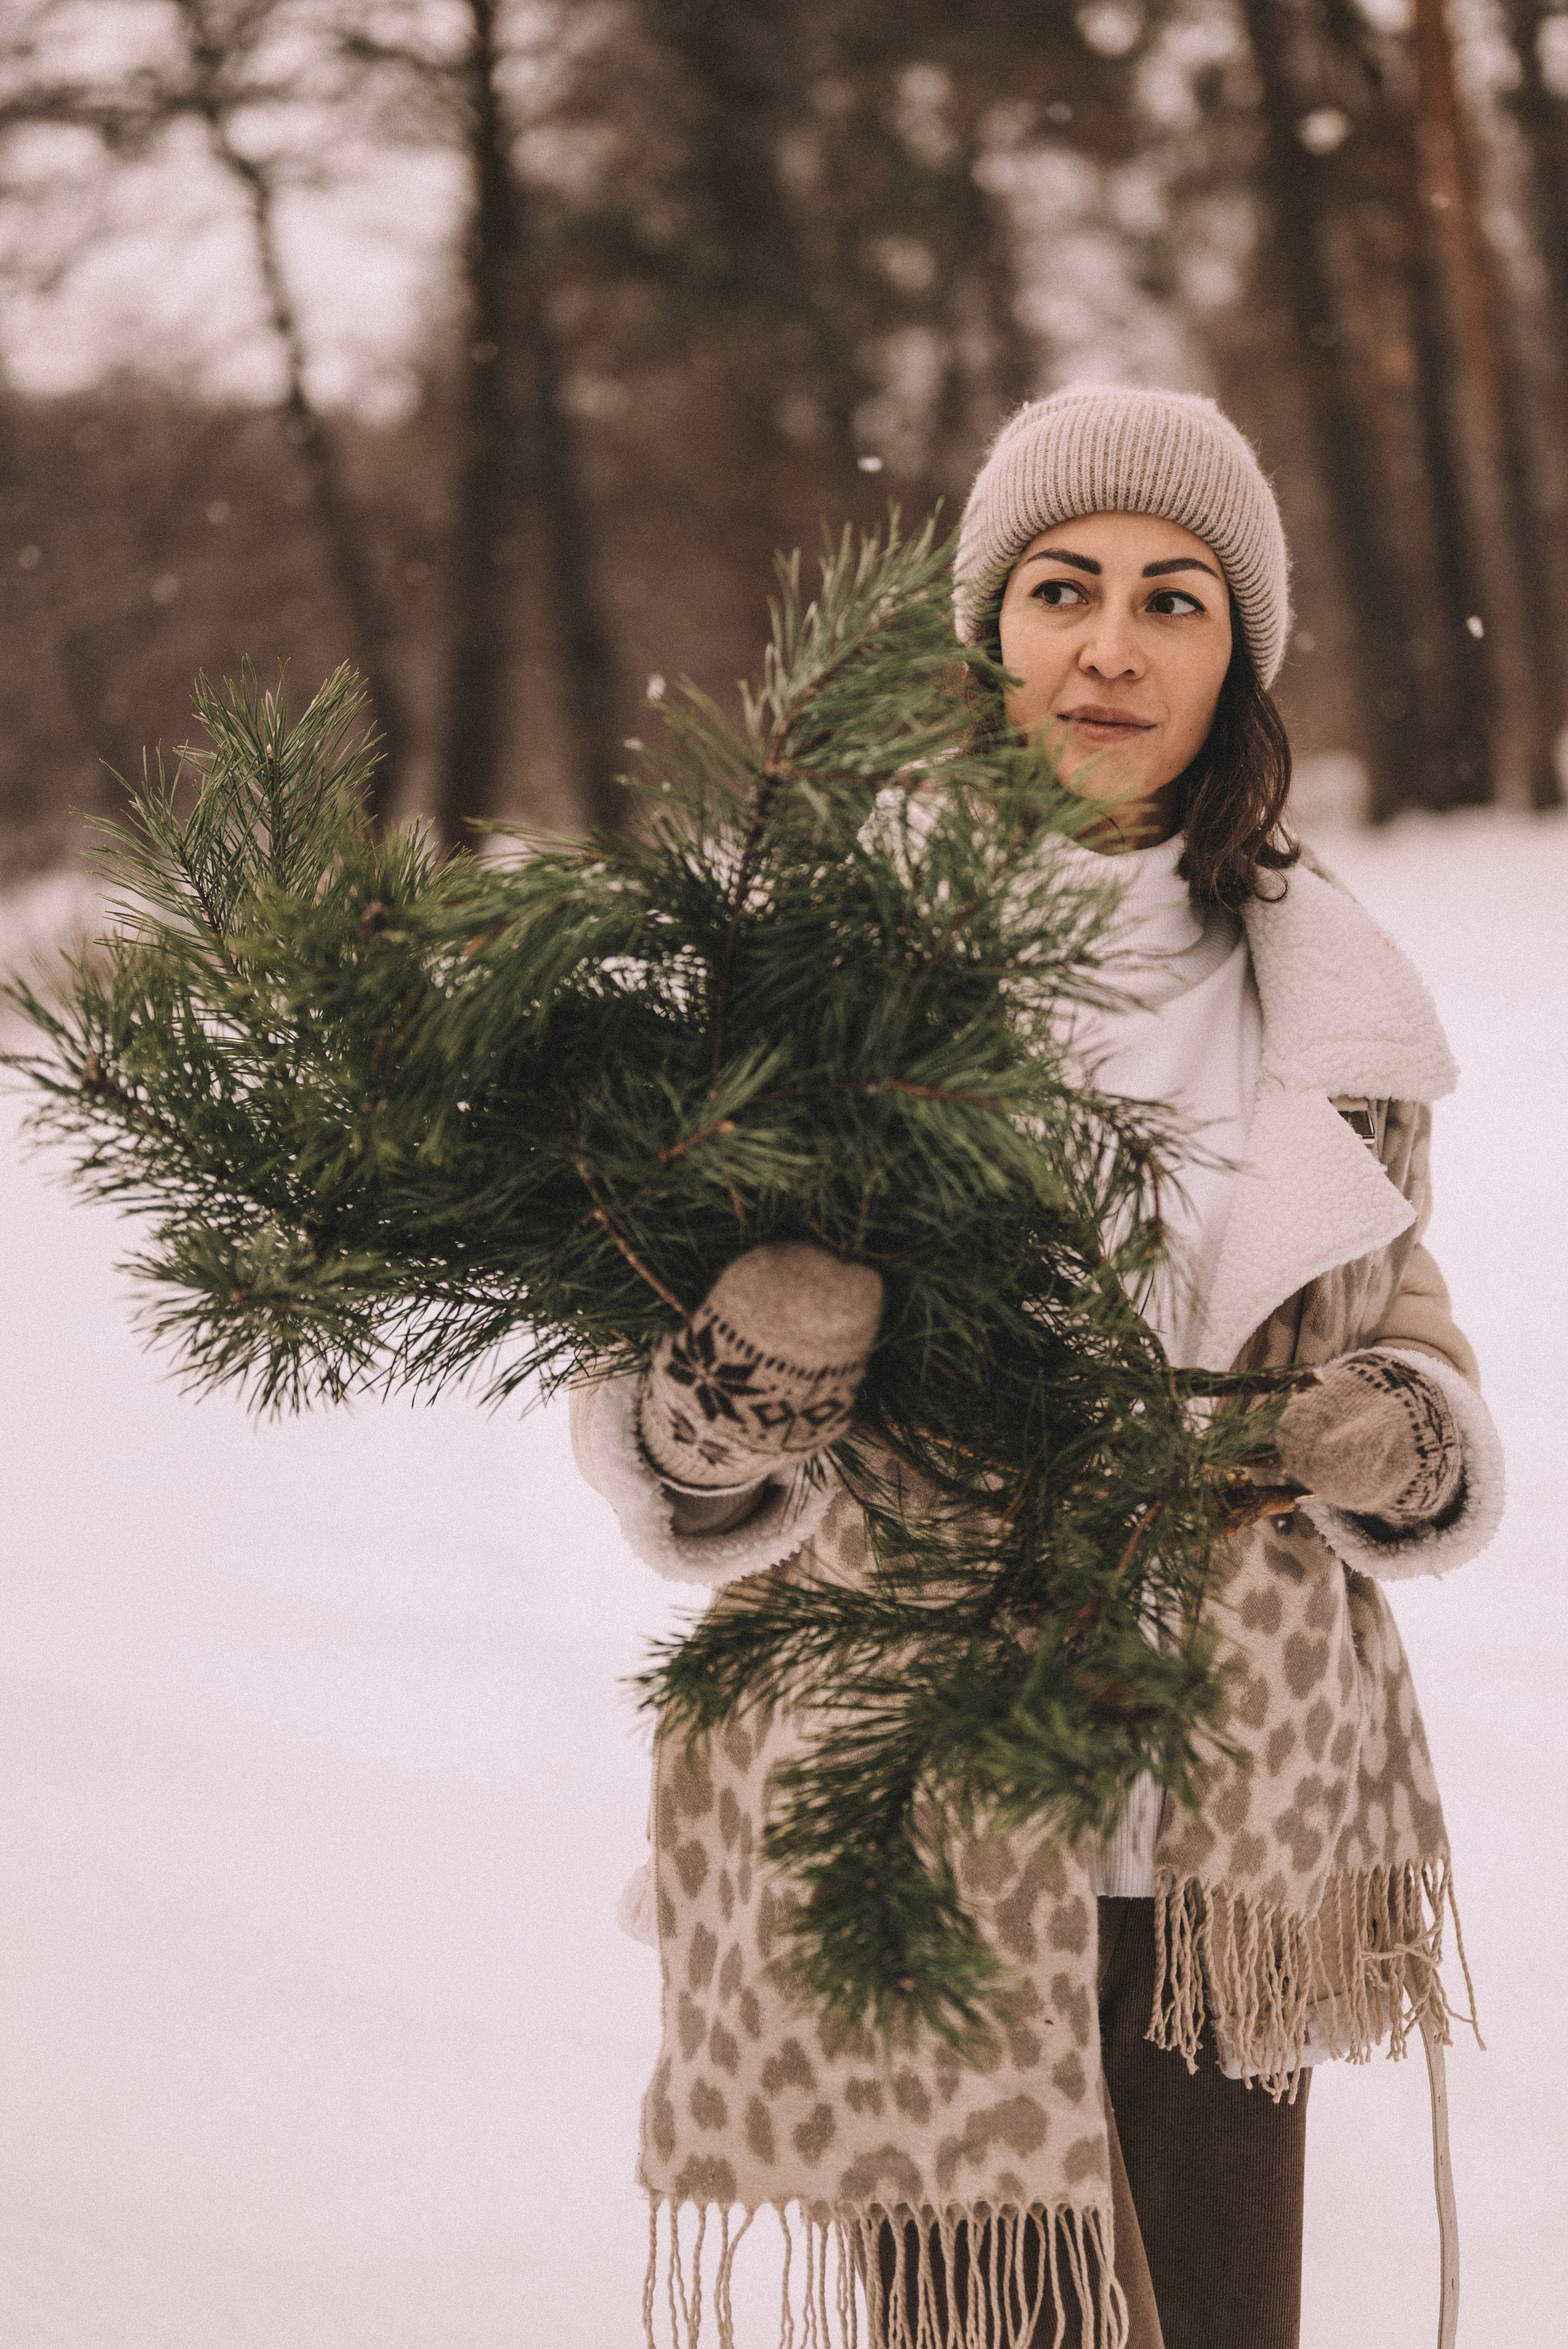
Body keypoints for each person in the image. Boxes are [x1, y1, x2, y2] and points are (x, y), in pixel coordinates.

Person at [570, 385, 1504, 2349]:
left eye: (1174, 600)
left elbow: (1401, 1312)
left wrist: (1407, 1436)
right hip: (914, 1804)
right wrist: (737, 1381)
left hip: (1240, 1815)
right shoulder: (834, 976)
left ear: (1235, 654)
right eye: (1063, 588)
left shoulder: (1327, 992)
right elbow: (656, 1412)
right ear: (983, 631)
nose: (1110, 645)